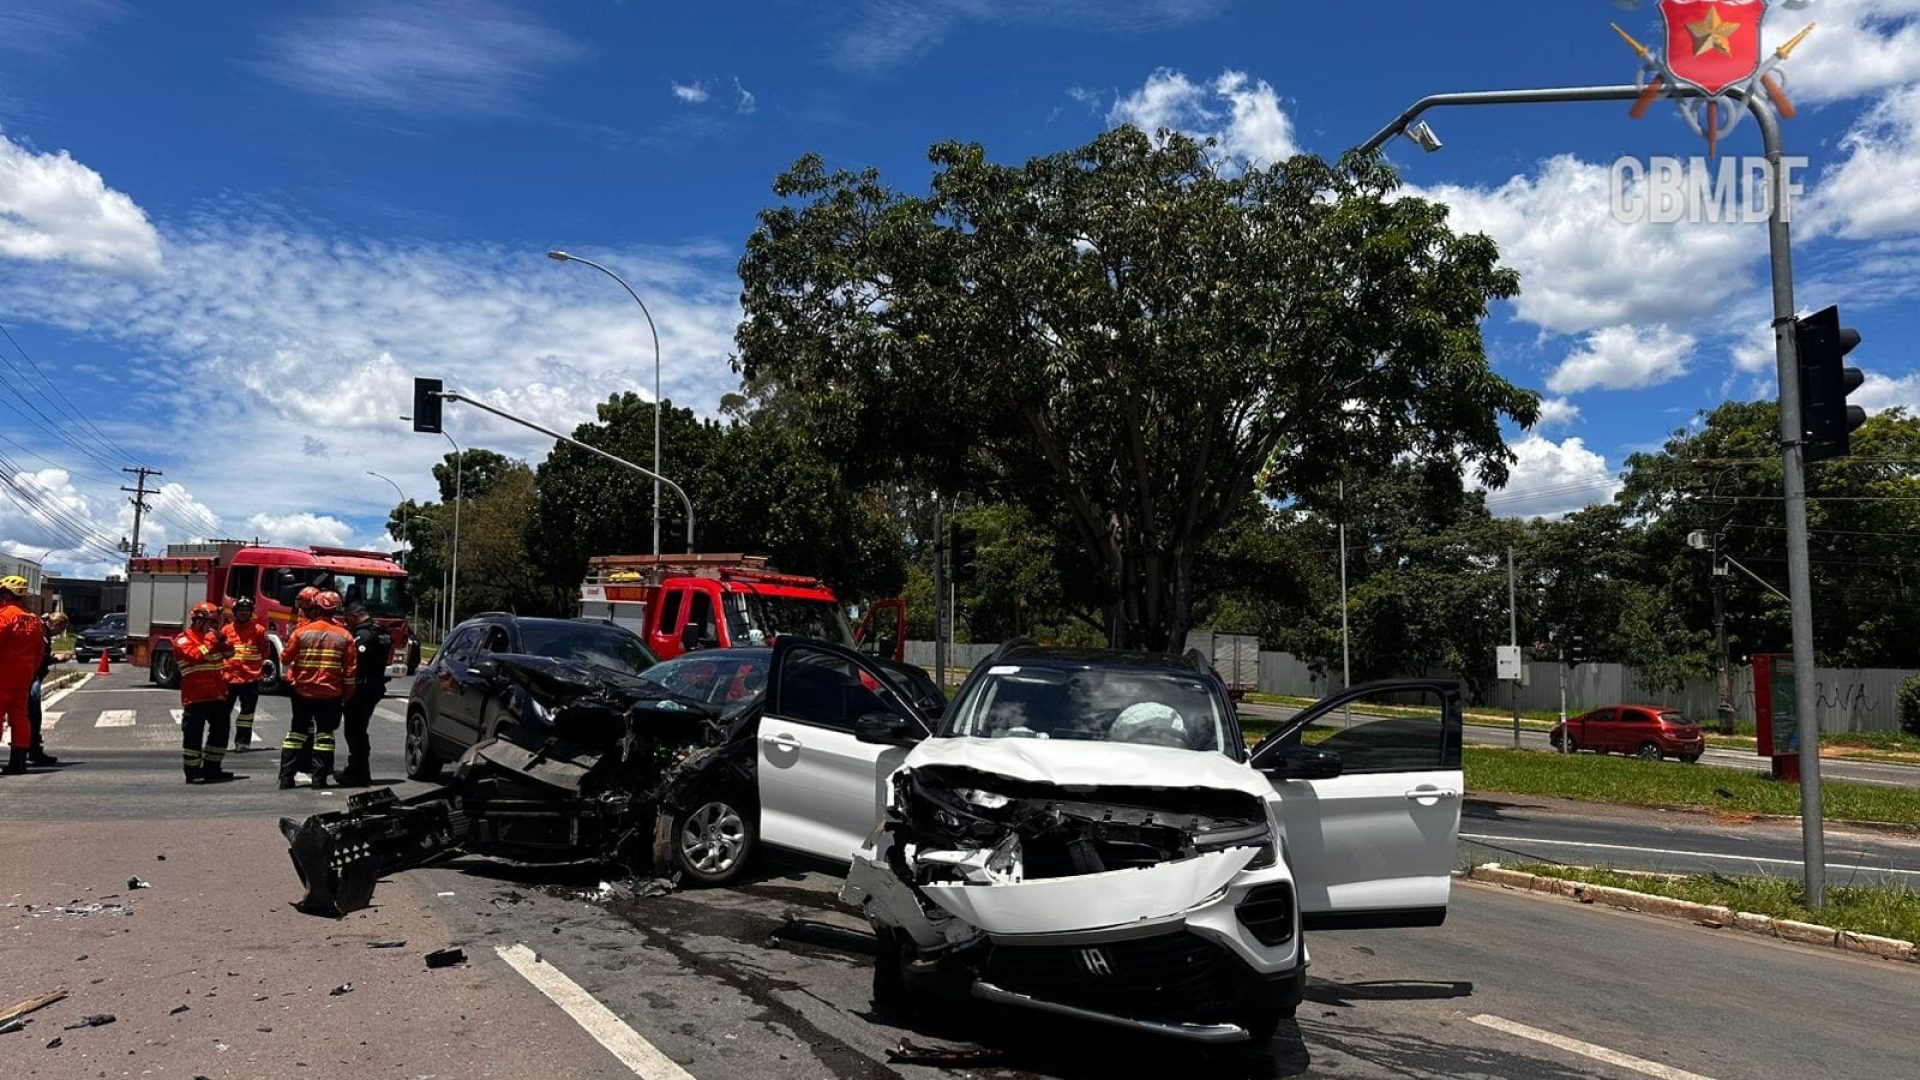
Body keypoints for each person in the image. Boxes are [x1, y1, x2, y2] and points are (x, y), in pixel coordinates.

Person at [278, 589, 355, 789]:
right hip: (330, 693)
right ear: (335, 609)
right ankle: (319, 779)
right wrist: (347, 696)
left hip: (302, 691)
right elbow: (350, 671)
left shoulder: (301, 631)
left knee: (296, 733)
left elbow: (285, 658)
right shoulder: (345, 635)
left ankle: (286, 778)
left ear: (316, 606)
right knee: (325, 735)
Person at [175, 602, 237, 783]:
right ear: (198, 621)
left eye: (215, 622)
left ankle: (212, 769)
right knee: (193, 735)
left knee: (221, 732)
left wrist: (223, 639)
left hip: (217, 694)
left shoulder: (212, 638)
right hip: (195, 697)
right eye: (210, 622)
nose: (214, 626)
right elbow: (195, 656)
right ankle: (192, 772)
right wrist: (210, 641)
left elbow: (229, 652)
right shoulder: (183, 639)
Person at [338, 602, 391, 787]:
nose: (347, 623)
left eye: (347, 619)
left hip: (362, 688)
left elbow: (355, 662)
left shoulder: (363, 635)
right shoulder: (381, 631)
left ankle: (358, 773)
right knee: (359, 730)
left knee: (354, 731)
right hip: (375, 686)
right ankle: (358, 771)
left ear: (353, 616)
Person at [0, 576, 43, 775]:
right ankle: (18, 762)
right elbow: (39, 651)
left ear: (7, 594)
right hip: (23, 677)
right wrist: (31, 672)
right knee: (20, 718)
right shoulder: (34, 619)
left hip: (3, 675)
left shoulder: (5, 616)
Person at [24, 610, 72, 766]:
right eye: (60, 629)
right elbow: (40, 657)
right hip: (31, 677)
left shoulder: (41, 632)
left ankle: (29, 749)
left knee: (30, 716)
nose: (59, 633)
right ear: (56, 625)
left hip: (29, 675)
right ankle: (32, 750)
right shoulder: (42, 634)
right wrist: (57, 658)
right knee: (33, 715)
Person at [221, 597, 269, 749]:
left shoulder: (259, 630)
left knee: (247, 714)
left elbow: (265, 652)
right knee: (222, 713)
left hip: (250, 678)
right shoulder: (226, 630)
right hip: (229, 678)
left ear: (251, 613)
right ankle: (220, 741)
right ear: (235, 612)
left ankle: (242, 742)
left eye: (246, 610)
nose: (243, 613)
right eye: (240, 610)